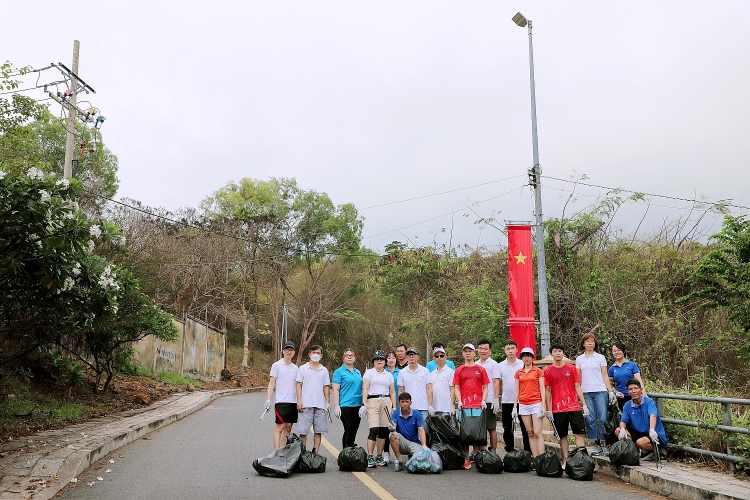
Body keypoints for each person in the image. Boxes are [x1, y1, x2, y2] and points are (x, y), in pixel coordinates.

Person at [544, 343, 587, 466]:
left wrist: (584, 404)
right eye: (555, 351)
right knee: (563, 435)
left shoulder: (571, 368)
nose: (558, 353)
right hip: (557, 409)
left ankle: (582, 460)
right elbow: (547, 391)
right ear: (551, 354)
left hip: (573, 406)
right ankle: (566, 460)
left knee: (579, 433)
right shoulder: (548, 371)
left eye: (560, 351)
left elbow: (577, 386)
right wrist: (549, 409)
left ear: (563, 353)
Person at [576, 333, 616, 456]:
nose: (590, 343)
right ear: (583, 344)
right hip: (586, 392)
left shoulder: (600, 358)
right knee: (590, 419)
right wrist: (578, 394)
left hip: (600, 391)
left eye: (592, 341)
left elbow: (604, 375)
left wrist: (610, 391)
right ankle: (597, 444)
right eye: (587, 341)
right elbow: (578, 378)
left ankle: (605, 444)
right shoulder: (579, 359)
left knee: (603, 418)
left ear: (595, 344)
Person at [453, 343, 489, 469]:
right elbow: (456, 388)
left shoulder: (481, 369)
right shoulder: (459, 370)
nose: (468, 353)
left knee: (476, 432)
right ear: (463, 353)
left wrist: (483, 400)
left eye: (470, 351)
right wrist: (459, 401)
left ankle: (478, 457)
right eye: (465, 351)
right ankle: (466, 458)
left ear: (474, 353)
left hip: (478, 405)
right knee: (465, 433)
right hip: (465, 406)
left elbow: (485, 387)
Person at [616, 378, 667, 461]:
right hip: (638, 433)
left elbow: (653, 415)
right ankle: (636, 450)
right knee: (618, 431)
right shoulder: (627, 405)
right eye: (630, 389)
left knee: (640, 442)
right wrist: (622, 429)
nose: (633, 391)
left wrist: (652, 430)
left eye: (635, 388)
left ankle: (660, 449)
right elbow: (623, 421)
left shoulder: (649, 401)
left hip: (653, 433)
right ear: (628, 392)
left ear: (640, 389)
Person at [362, 350, 397, 468]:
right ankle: (370, 456)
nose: (379, 361)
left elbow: (392, 391)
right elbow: (365, 388)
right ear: (373, 361)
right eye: (377, 359)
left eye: (381, 359)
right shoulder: (369, 373)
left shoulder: (388, 375)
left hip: (386, 401)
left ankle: (379, 455)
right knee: (373, 429)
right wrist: (364, 403)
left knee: (383, 430)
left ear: (384, 361)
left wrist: (394, 407)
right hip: (373, 400)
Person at [295, 344, 331, 452]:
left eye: (318, 353)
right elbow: (298, 384)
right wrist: (299, 400)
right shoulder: (302, 368)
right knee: (303, 432)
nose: (316, 355)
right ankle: (302, 453)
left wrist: (327, 402)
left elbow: (326, 387)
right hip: (305, 405)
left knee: (318, 431)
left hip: (320, 405)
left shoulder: (324, 370)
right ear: (309, 354)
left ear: (321, 355)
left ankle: (315, 453)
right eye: (314, 352)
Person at [497, 340, 531, 453]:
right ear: (505, 350)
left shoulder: (522, 364)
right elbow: (499, 383)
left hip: (523, 400)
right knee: (508, 427)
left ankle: (527, 451)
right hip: (507, 400)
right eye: (508, 349)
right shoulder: (500, 365)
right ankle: (510, 450)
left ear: (517, 350)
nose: (510, 351)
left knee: (525, 427)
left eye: (512, 348)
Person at [265, 341, 298, 450]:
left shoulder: (296, 368)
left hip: (293, 402)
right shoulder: (276, 365)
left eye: (291, 350)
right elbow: (271, 383)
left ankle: (283, 451)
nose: (289, 352)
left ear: (294, 352)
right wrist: (268, 400)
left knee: (288, 427)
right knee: (280, 427)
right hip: (281, 401)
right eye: (287, 350)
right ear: (283, 351)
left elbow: (298, 386)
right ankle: (276, 452)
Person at [513, 347, 546, 457]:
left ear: (532, 357)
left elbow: (542, 389)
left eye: (528, 356)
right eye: (524, 356)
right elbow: (516, 390)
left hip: (536, 403)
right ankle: (535, 458)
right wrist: (514, 407)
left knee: (537, 432)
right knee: (530, 432)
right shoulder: (518, 372)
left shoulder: (538, 371)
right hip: (523, 404)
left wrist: (543, 406)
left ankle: (542, 458)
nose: (526, 358)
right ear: (521, 358)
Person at [388, 392, 430, 472]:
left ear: (411, 403)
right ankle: (399, 460)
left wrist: (424, 445)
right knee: (392, 435)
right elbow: (394, 427)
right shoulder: (395, 413)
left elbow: (421, 430)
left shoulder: (416, 414)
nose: (405, 404)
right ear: (399, 403)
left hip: (414, 442)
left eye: (407, 402)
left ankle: (411, 458)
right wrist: (391, 427)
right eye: (402, 402)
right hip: (402, 442)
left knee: (423, 460)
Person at [332, 348, 363, 448]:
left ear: (355, 357)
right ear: (343, 357)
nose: (349, 357)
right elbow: (336, 390)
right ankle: (346, 452)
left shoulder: (358, 372)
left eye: (351, 355)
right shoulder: (339, 372)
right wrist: (336, 406)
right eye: (347, 355)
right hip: (346, 405)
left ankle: (351, 450)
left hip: (357, 405)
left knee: (354, 429)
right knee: (349, 428)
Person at [476, 339, 501, 451]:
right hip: (477, 401)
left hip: (490, 400)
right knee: (479, 428)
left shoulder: (493, 364)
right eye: (481, 348)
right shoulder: (475, 364)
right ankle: (482, 453)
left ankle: (493, 452)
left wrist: (496, 399)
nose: (483, 351)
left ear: (490, 351)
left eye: (485, 349)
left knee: (491, 428)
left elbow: (496, 382)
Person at [608, 342, 645, 410]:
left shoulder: (632, 365)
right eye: (614, 351)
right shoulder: (612, 369)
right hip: (622, 397)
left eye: (618, 350)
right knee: (626, 415)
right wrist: (616, 393)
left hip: (635, 395)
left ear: (623, 351)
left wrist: (645, 396)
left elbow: (639, 382)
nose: (616, 352)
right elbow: (609, 385)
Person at [398, 347, 430, 421]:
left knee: (424, 427)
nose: (411, 356)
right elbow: (401, 390)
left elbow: (429, 389)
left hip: (423, 407)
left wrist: (430, 405)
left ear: (418, 356)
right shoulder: (402, 373)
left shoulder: (425, 371)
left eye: (413, 354)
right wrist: (401, 405)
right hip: (408, 407)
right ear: (407, 357)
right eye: (409, 355)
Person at [382, 350, 400, 463]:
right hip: (386, 403)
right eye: (388, 358)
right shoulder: (382, 372)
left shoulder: (401, 372)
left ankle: (399, 454)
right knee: (386, 429)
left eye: (393, 358)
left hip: (399, 403)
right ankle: (386, 453)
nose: (391, 360)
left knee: (399, 429)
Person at [426, 347, 455, 415]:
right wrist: (430, 405)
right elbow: (429, 390)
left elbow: (452, 389)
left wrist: (452, 405)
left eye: (441, 356)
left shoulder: (450, 372)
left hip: (446, 408)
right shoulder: (431, 374)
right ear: (434, 358)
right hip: (434, 408)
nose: (439, 358)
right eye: (437, 356)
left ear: (445, 357)